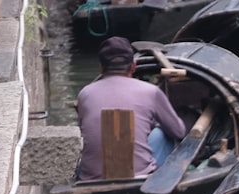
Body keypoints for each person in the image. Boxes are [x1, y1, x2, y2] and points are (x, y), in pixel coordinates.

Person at [75, 37, 187, 181]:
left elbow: (83, 131)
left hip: (91, 178)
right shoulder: (151, 91)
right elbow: (179, 131)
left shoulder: (85, 93)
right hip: (138, 176)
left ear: (101, 68)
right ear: (133, 67)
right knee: (161, 134)